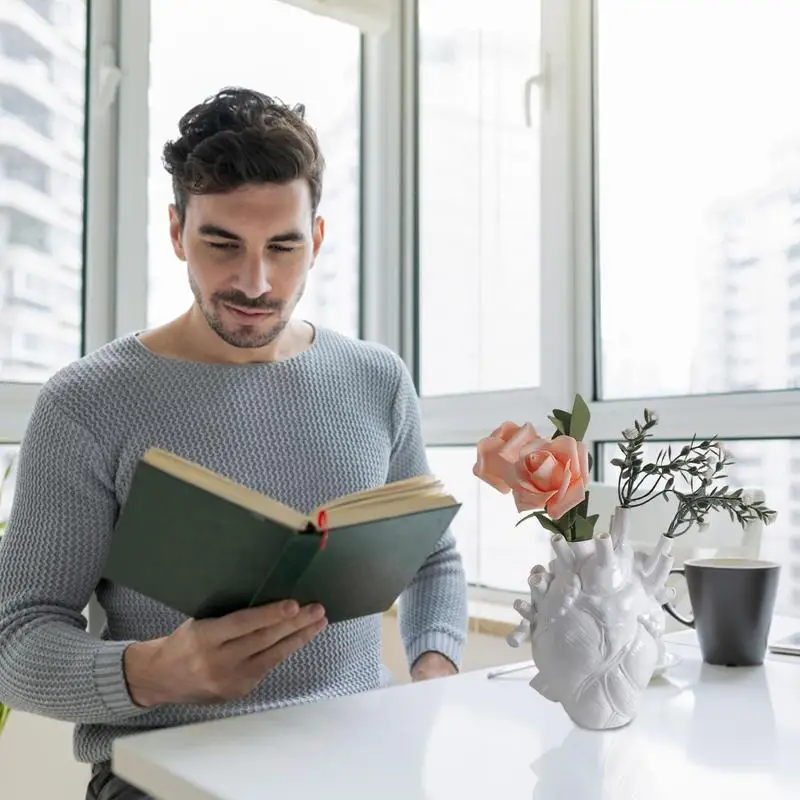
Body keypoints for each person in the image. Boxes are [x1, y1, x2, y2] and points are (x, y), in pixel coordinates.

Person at [0, 87, 468, 799]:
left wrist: (433, 677)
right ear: (175, 231)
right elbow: (16, 639)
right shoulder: (86, 403)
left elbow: (432, 554)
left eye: (283, 247)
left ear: (317, 238)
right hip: (164, 779)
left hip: (360, 761)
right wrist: (159, 671)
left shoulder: (377, 380)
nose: (255, 283)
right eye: (222, 244)